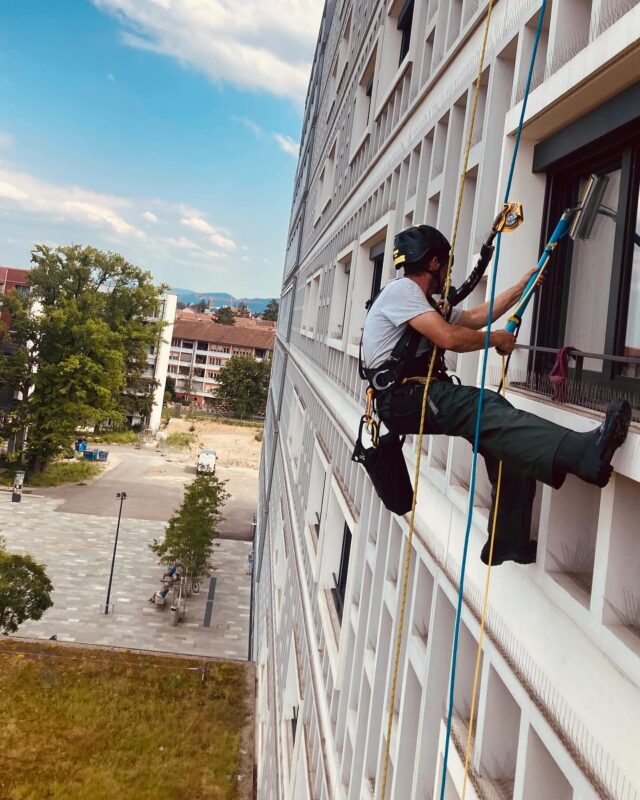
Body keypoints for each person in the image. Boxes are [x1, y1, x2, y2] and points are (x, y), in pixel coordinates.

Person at [361, 224, 631, 566]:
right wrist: (497, 339)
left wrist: (521, 288)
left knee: (501, 438)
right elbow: (449, 337)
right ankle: (583, 454)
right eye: (445, 264)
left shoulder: (421, 301)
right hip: (402, 398)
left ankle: (509, 541)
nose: (447, 272)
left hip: (414, 394)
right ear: (433, 263)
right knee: (483, 406)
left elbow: (474, 317)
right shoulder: (401, 292)